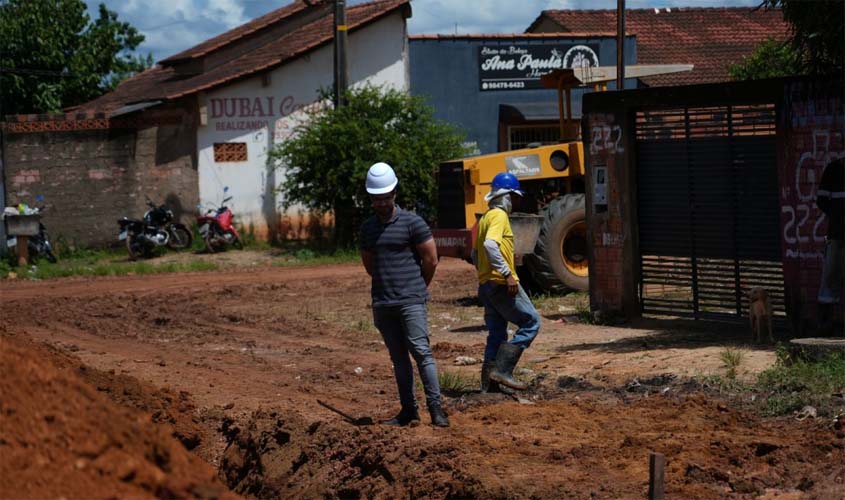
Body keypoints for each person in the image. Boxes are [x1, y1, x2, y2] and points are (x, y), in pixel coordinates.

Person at [359, 162, 449, 427]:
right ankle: (409, 411)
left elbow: (431, 260)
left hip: (411, 301)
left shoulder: (413, 223)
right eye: (376, 199)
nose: (381, 203)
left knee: (422, 353)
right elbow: (369, 265)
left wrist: (418, 288)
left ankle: (436, 409)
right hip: (384, 303)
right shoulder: (368, 229)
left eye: (385, 197)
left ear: (394, 193)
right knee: (399, 359)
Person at [473, 172, 541, 392]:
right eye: (514, 197)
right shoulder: (499, 216)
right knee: (531, 322)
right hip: (501, 284)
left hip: (487, 285)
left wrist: (486, 277)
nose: (516, 202)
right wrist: (507, 275)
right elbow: (491, 246)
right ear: (506, 196)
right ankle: (502, 371)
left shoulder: (484, 218)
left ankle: (489, 387)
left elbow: (475, 254)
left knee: (497, 333)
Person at [817, 158, 844, 334]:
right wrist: (836, 217)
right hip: (837, 235)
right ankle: (827, 325)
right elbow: (821, 200)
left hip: (837, 232)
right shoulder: (833, 169)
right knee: (831, 276)